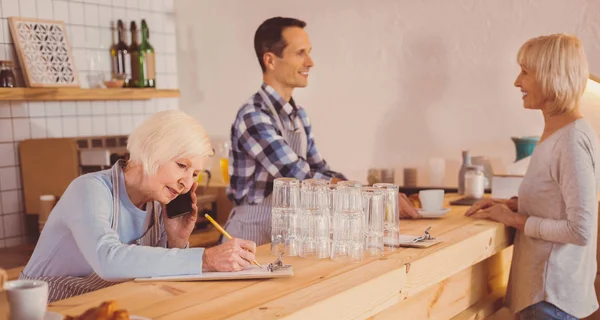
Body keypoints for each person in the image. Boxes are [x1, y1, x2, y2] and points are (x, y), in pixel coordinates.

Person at [466, 34, 599, 320]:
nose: (517, 82)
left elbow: (580, 228)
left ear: (552, 76)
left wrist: (517, 222)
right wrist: (512, 207)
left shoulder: (571, 139)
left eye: (525, 72)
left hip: (549, 293)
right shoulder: (559, 131)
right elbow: (556, 200)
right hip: (552, 291)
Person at [21, 110, 257, 303]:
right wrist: (205, 259)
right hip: (44, 311)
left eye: (194, 173)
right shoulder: (89, 189)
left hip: (101, 308)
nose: (187, 183)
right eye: (181, 165)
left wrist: (176, 241)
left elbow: (158, 275)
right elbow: (108, 260)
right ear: (152, 150)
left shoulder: (157, 204)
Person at [224, 17, 418, 245]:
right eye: (300, 53)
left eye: (309, 52)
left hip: (285, 230)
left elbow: (318, 168)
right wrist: (369, 195)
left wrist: (366, 192)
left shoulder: (299, 115)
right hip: (250, 233)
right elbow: (298, 175)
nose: (310, 62)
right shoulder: (254, 115)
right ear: (270, 60)